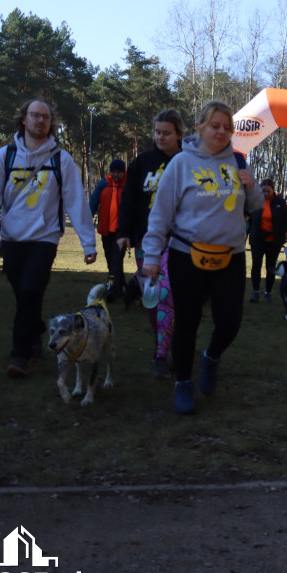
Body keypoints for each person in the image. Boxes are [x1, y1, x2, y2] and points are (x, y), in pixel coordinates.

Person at [142, 100, 261, 414]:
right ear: (199, 128)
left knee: (230, 322)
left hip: (231, 256)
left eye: (227, 127)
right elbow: (160, 214)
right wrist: (151, 255)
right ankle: (183, 383)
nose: (221, 132)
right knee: (187, 322)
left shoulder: (238, 160)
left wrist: (251, 186)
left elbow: (255, 205)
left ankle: (211, 357)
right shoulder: (182, 163)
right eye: (214, 126)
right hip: (186, 255)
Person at [0, 99, 97, 378]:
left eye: (45, 117)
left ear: (51, 123)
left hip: (44, 239)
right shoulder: (7, 156)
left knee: (29, 291)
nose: (40, 121)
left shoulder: (61, 159)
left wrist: (88, 242)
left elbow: (76, 202)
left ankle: (19, 355)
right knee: (25, 295)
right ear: (23, 119)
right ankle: (36, 331)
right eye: (35, 115)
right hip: (12, 239)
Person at [117, 109, 183, 379]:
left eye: (166, 133)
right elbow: (129, 199)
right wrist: (123, 232)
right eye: (157, 132)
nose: (160, 137)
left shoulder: (188, 161)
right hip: (147, 240)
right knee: (154, 298)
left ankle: (165, 353)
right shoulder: (142, 162)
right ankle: (162, 348)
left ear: (179, 134)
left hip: (180, 239)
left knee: (171, 296)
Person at [89, 158, 127, 301]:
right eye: (113, 172)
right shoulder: (103, 184)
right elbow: (93, 202)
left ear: (123, 172)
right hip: (106, 230)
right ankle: (120, 285)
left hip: (122, 231)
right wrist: (87, 219)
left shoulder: (128, 185)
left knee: (116, 260)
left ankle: (113, 291)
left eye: (118, 172)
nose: (115, 174)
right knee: (111, 260)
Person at [248, 179, 287, 304]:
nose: (265, 194)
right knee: (256, 263)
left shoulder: (280, 202)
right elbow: (248, 220)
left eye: (268, 191)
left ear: (273, 190)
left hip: (274, 240)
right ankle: (255, 291)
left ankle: (268, 292)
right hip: (257, 239)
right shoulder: (255, 201)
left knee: (270, 266)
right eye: (263, 191)